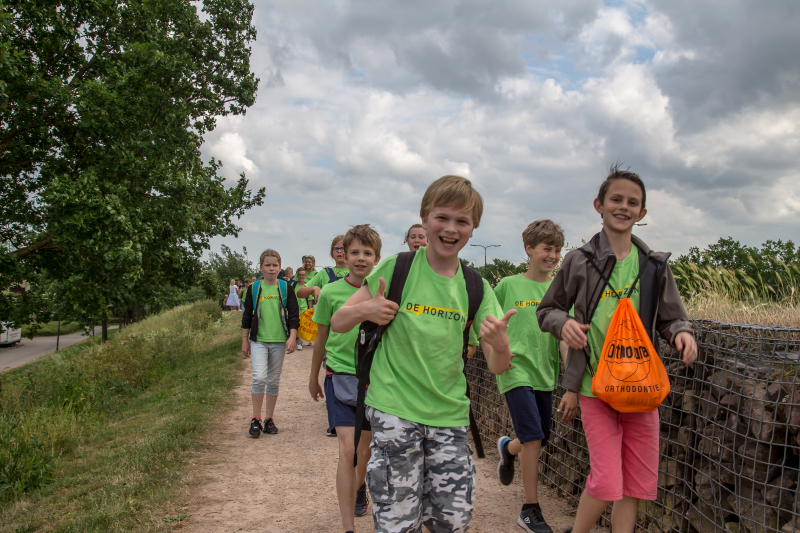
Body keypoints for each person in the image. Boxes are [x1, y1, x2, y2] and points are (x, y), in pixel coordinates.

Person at [331, 175, 516, 533]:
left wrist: (503, 345)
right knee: (398, 522)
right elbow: (339, 321)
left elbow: (498, 365)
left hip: (449, 416)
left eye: (462, 221)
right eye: (442, 218)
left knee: (453, 521)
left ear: (473, 229)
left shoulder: (476, 286)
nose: (450, 228)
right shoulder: (396, 268)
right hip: (394, 409)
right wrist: (365, 310)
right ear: (425, 218)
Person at [537, 165, 698, 533]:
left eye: (633, 203)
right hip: (596, 388)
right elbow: (548, 310)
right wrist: (565, 325)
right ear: (600, 204)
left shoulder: (654, 265)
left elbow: (672, 317)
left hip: (642, 391)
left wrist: (681, 334)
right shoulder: (579, 260)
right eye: (616, 199)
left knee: (635, 487)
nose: (623, 207)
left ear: (642, 214)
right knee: (607, 482)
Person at [309, 224, 382, 533]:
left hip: (373, 380)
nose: (360, 258)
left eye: (367, 253)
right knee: (347, 449)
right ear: (344, 255)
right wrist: (313, 376)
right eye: (354, 252)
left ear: (377, 258)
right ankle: (348, 527)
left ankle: (360, 485)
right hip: (338, 375)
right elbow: (321, 337)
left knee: (364, 451)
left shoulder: (384, 288)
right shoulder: (330, 292)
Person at [494, 219, 566, 533]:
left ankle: (508, 449)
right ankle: (530, 509)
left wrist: (572, 381)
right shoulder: (507, 285)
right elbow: (490, 325)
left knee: (541, 436)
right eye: (546, 249)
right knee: (534, 436)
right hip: (514, 370)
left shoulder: (561, 290)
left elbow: (565, 336)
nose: (552, 255)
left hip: (545, 371)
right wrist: (498, 352)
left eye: (557, 249)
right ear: (529, 249)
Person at [241, 249, 300, 437]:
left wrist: (292, 336)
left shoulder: (285, 288)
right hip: (259, 340)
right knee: (259, 377)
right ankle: (256, 417)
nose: (271, 268)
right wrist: (245, 340)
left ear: (280, 267)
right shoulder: (254, 288)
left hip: (279, 341)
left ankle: (269, 418)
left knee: (273, 381)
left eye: (275, 265)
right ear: (261, 267)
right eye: (267, 265)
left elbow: (294, 314)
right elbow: (247, 315)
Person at [298, 236, 349, 302]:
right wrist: (314, 288)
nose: (339, 251)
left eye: (342, 248)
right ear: (332, 252)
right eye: (336, 248)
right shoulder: (325, 273)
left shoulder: (356, 273)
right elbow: (300, 293)